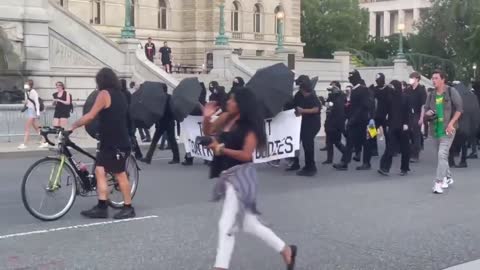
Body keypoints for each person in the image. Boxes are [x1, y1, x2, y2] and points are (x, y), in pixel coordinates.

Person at [203, 87, 297, 270]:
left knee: (226, 224)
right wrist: (207, 117)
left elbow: (247, 155)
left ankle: (220, 266)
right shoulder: (226, 118)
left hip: (241, 177)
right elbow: (209, 131)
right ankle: (286, 250)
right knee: (249, 224)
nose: (228, 102)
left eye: (232, 100)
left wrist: (221, 149)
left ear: (241, 104)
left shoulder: (251, 127)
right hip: (227, 174)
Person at [70, 68, 135, 219]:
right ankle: (102, 206)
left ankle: (128, 207)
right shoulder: (120, 95)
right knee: (100, 171)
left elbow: (91, 115)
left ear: (101, 81)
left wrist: (74, 125)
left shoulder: (104, 94)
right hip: (113, 139)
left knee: (120, 174)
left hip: (115, 142)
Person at [421, 70, 463, 194]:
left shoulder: (451, 91)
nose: (433, 80)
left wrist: (451, 124)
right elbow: (427, 108)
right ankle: (448, 177)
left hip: (448, 129)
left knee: (442, 154)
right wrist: (428, 113)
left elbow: (460, 109)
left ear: (443, 79)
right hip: (435, 129)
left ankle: (438, 182)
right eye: (432, 78)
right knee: (441, 157)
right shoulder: (431, 94)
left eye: (436, 78)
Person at [334, 70, 373, 171]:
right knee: (350, 141)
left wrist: (353, 118)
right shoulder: (354, 90)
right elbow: (353, 106)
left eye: (352, 78)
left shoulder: (363, 89)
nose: (350, 80)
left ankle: (366, 163)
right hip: (355, 120)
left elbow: (364, 106)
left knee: (366, 142)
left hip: (365, 120)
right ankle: (344, 162)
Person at [286, 75, 321, 176]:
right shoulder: (298, 95)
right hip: (301, 123)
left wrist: (303, 111)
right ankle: (295, 163)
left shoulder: (312, 96)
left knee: (308, 144)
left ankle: (310, 167)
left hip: (312, 123)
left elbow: (317, 109)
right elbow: (293, 105)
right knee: (296, 143)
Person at [378, 80, 412, 176]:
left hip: (403, 126)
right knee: (390, 147)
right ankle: (384, 167)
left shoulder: (406, 98)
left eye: (393, 87)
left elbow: (408, 113)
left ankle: (404, 168)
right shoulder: (389, 98)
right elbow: (385, 111)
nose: (392, 89)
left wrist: (406, 123)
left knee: (405, 148)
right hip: (392, 125)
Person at [140, 84, 180, 164]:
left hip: (162, 121)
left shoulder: (158, 98)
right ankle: (176, 158)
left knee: (155, 140)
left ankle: (148, 158)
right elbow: (173, 109)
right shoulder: (170, 97)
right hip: (169, 121)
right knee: (172, 140)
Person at [19, 80, 47, 149]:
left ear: (30, 85)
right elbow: (27, 101)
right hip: (30, 110)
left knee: (27, 127)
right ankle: (44, 141)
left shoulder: (33, 92)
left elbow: (37, 103)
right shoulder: (26, 92)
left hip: (33, 111)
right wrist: (24, 102)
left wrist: (37, 112)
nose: (25, 85)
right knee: (37, 127)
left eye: (26, 84)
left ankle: (25, 144)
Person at [323, 81, 346, 164]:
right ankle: (329, 159)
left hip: (337, 122)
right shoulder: (331, 96)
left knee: (337, 142)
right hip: (329, 121)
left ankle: (346, 153)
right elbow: (328, 106)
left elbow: (337, 107)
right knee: (329, 142)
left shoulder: (341, 96)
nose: (331, 89)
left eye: (333, 87)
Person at [406, 72, 427, 163]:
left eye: (412, 78)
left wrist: (421, 118)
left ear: (417, 79)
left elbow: (423, 105)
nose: (410, 80)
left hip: (417, 114)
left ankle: (415, 154)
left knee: (416, 134)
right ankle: (410, 151)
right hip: (409, 114)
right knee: (409, 133)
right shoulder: (408, 89)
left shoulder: (421, 90)